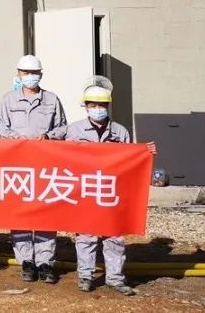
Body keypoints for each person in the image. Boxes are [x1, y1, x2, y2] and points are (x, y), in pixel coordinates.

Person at [0, 55, 67, 284]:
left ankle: (45, 261)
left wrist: (48, 136)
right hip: (18, 166)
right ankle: (26, 260)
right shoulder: (8, 100)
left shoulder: (52, 100)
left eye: (34, 73)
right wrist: (18, 141)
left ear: (41, 74)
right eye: (26, 73)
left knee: (45, 211)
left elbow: (63, 127)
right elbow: (1, 127)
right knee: (21, 211)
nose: (30, 76)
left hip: (45, 166)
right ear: (18, 74)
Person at [67, 81, 136, 296]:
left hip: (110, 192)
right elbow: (66, 159)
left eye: (101, 105)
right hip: (85, 191)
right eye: (93, 105)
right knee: (86, 236)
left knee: (114, 236)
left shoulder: (120, 131)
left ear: (108, 106)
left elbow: (131, 160)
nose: (97, 108)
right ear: (86, 106)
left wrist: (145, 152)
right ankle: (85, 277)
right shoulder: (75, 130)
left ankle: (115, 278)